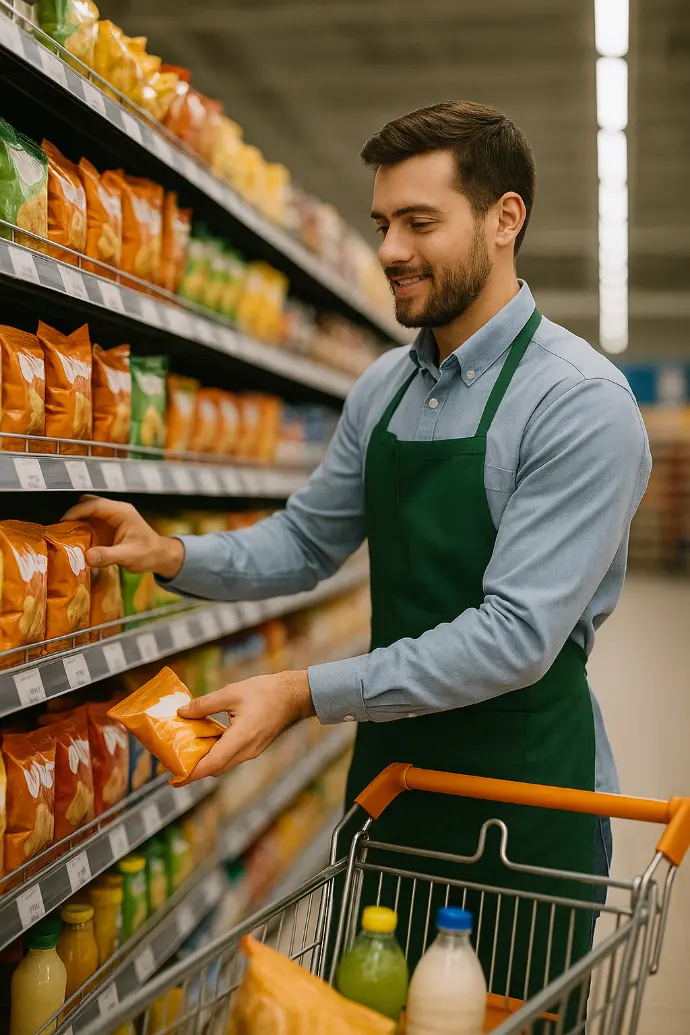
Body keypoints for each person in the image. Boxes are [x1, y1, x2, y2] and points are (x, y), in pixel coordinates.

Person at [65, 100, 650, 1000]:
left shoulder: (579, 403)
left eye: (420, 222)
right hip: (393, 782)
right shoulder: (383, 388)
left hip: (526, 796)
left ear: (505, 219)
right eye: (383, 225)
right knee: (371, 1004)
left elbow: (514, 636)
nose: (389, 251)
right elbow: (306, 541)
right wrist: (170, 552)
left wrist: (303, 691)